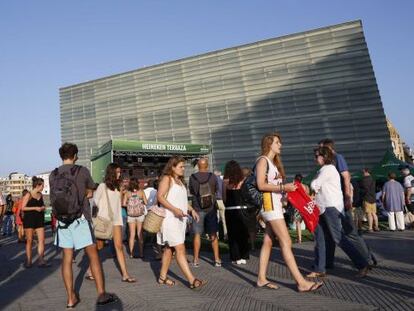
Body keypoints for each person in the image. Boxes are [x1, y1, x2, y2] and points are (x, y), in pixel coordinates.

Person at [50, 143, 118, 308]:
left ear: (61, 156)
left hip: (62, 221)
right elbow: (92, 189)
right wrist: (86, 193)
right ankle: (101, 294)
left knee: (66, 259)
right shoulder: (81, 171)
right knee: (93, 255)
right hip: (80, 219)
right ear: (75, 156)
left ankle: (70, 298)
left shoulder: (54, 174)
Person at [256, 132, 322, 292]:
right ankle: (301, 282)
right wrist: (283, 187)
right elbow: (260, 185)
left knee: (268, 241)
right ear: (269, 144)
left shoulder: (272, 163)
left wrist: (288, 190)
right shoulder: (262, 161)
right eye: (277, 142)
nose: (280, 145)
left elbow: (273, 187)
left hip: (275, 205)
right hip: (270, 206)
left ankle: (261, 278)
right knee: (286, 242)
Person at [308, 147, 370, 278]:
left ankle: (362, 264)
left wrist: (313, 182)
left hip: (330, 207)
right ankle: (320, 267)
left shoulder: (328, 169)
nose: (315, 158)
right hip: (323, 207)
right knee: (321, 238)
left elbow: (314, 185)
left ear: (324, 156)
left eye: (317, 155)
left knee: (338, 238)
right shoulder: (324, 169)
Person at [318, 138, 376, 268]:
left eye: (321, 149)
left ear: (328, 148)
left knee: (350, 232)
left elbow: (346, 177)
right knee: (331, 233)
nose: (319, 153)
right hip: (335, 201)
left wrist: (348, 197)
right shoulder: (329, 162)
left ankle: (367, 258)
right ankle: (328, 262)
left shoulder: (338, 158)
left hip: (341, 201)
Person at [157, 155, 206, 289]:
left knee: (169, 249)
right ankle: (192, 280)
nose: (183, 169)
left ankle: (162, 277)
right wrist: (174, 209)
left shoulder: (180, 181)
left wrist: (191, 210)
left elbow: (182, 200)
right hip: (170, 219)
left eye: (184, 166)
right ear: (172, 167)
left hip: (179, 220)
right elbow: (160, 197)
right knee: (180, 248)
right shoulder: (167, 179)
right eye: (181, 166)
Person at [94, 163, 136, 283]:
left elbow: (119, 203)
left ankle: (125, 275)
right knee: (98, 248)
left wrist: (122, 193)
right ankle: (90, 271)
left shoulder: (118, 187)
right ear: (111, 172)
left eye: (119, 172)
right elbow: (95, 203)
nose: (119, 174)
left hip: (116, 220)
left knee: (119, 247)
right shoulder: (102, 186)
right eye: (117, 172)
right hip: (104, 221)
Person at [189, 158, 222, 267]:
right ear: (207, 166)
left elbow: (192, 192)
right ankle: (217, 259)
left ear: (198, 166)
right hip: (211, 208)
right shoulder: (213, 176)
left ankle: (196, 260)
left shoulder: (192, 177)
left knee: (197, 235)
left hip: (197, 209)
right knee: (213, 234)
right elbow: (217, 190)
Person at [223, 160, 250, 264]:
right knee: (243, 233)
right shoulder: (242, 180)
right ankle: (244, 256)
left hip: (230, 210)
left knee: (232, 234)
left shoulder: (225, 181)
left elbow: (224, 198)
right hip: (242, 209)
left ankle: (236, 257)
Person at [21, 177, 49, 268]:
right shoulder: (28, 195)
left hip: (39, 219)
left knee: (42, 240)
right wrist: (35, 208)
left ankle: (41, 260)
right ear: (37, 185)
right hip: (29, 220)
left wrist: (43, 207)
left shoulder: (41, 195)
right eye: (42, 185)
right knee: (29, 241)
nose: (43, 187)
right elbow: (23, 208)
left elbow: (42, 204)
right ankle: (29, 261)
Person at [123, 178, 147, 258]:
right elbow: (146, 202)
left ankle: (131, 254)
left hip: (131, 216)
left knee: (132, 234)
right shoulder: (141, 192)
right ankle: (141, 253)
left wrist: (130, 205)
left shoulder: (127, 193)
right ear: (137, 183)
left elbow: (123, 204)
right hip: (140, 215)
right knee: (139, 234)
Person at [214, 170, 227, 241]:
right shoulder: (222, 181)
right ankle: (226, 235)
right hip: (221, 201)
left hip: (215, 201)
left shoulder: (213, 181)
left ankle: (216, 235)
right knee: (224, 219)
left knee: (216, 218)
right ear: (220, 174)